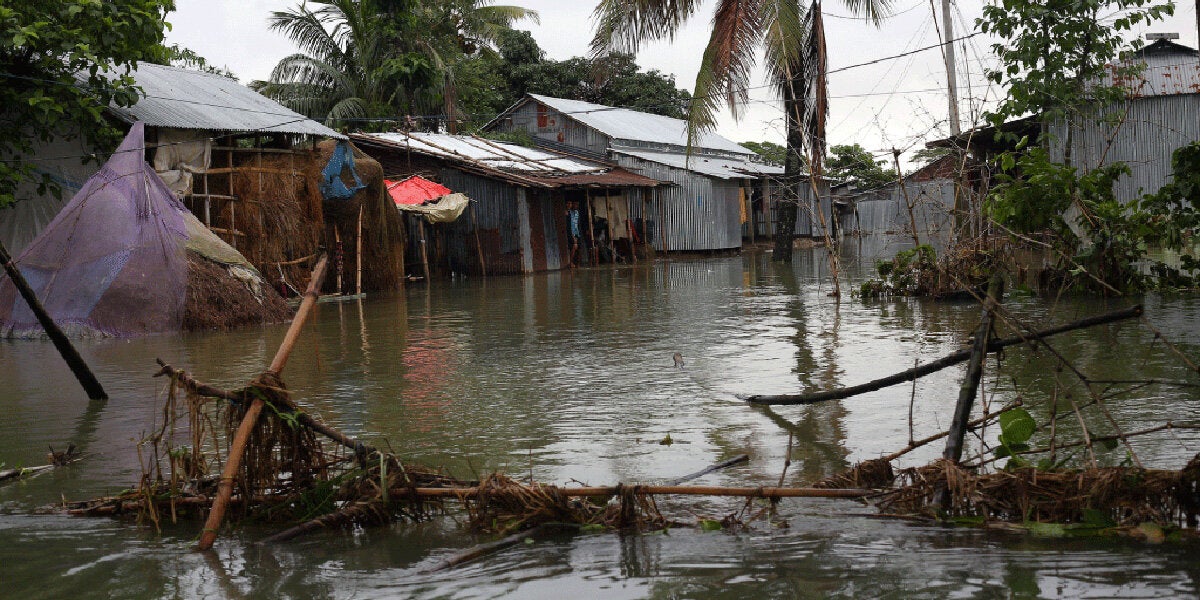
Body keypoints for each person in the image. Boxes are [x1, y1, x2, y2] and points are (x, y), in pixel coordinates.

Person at [566, 200, 582, 267]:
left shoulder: (576, 212)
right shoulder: (568, 213)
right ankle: (571, 262)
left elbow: (577, 224)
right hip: (571, 232)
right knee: (573, 246)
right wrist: (573, 236)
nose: (576, 206)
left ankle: (577, 263)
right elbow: (570, 225)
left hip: (577, 232)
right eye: (569, 203)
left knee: (578, 247)